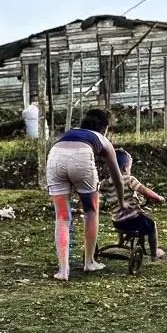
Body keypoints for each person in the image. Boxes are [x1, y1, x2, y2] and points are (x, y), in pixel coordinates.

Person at [46, 108, 127, 281]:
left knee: (62, 217)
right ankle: (89, 262)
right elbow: (118, 179)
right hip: (81, 158)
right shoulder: (102, 139)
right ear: (104, 128)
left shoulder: (70, 133)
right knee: (91, 211)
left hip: (54, 156)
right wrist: (121, 202)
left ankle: (63, 270)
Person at [99, 148, 166, 260]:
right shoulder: (129, 179)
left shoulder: (104, 184)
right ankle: (154, 253)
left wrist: (110, 204)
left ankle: (120, 242)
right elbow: (144, 190)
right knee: (152, 226)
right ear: (125, 168)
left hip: (117, 222)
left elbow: (100, 204)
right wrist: (157, 197)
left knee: (119, 214)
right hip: (133, 221)